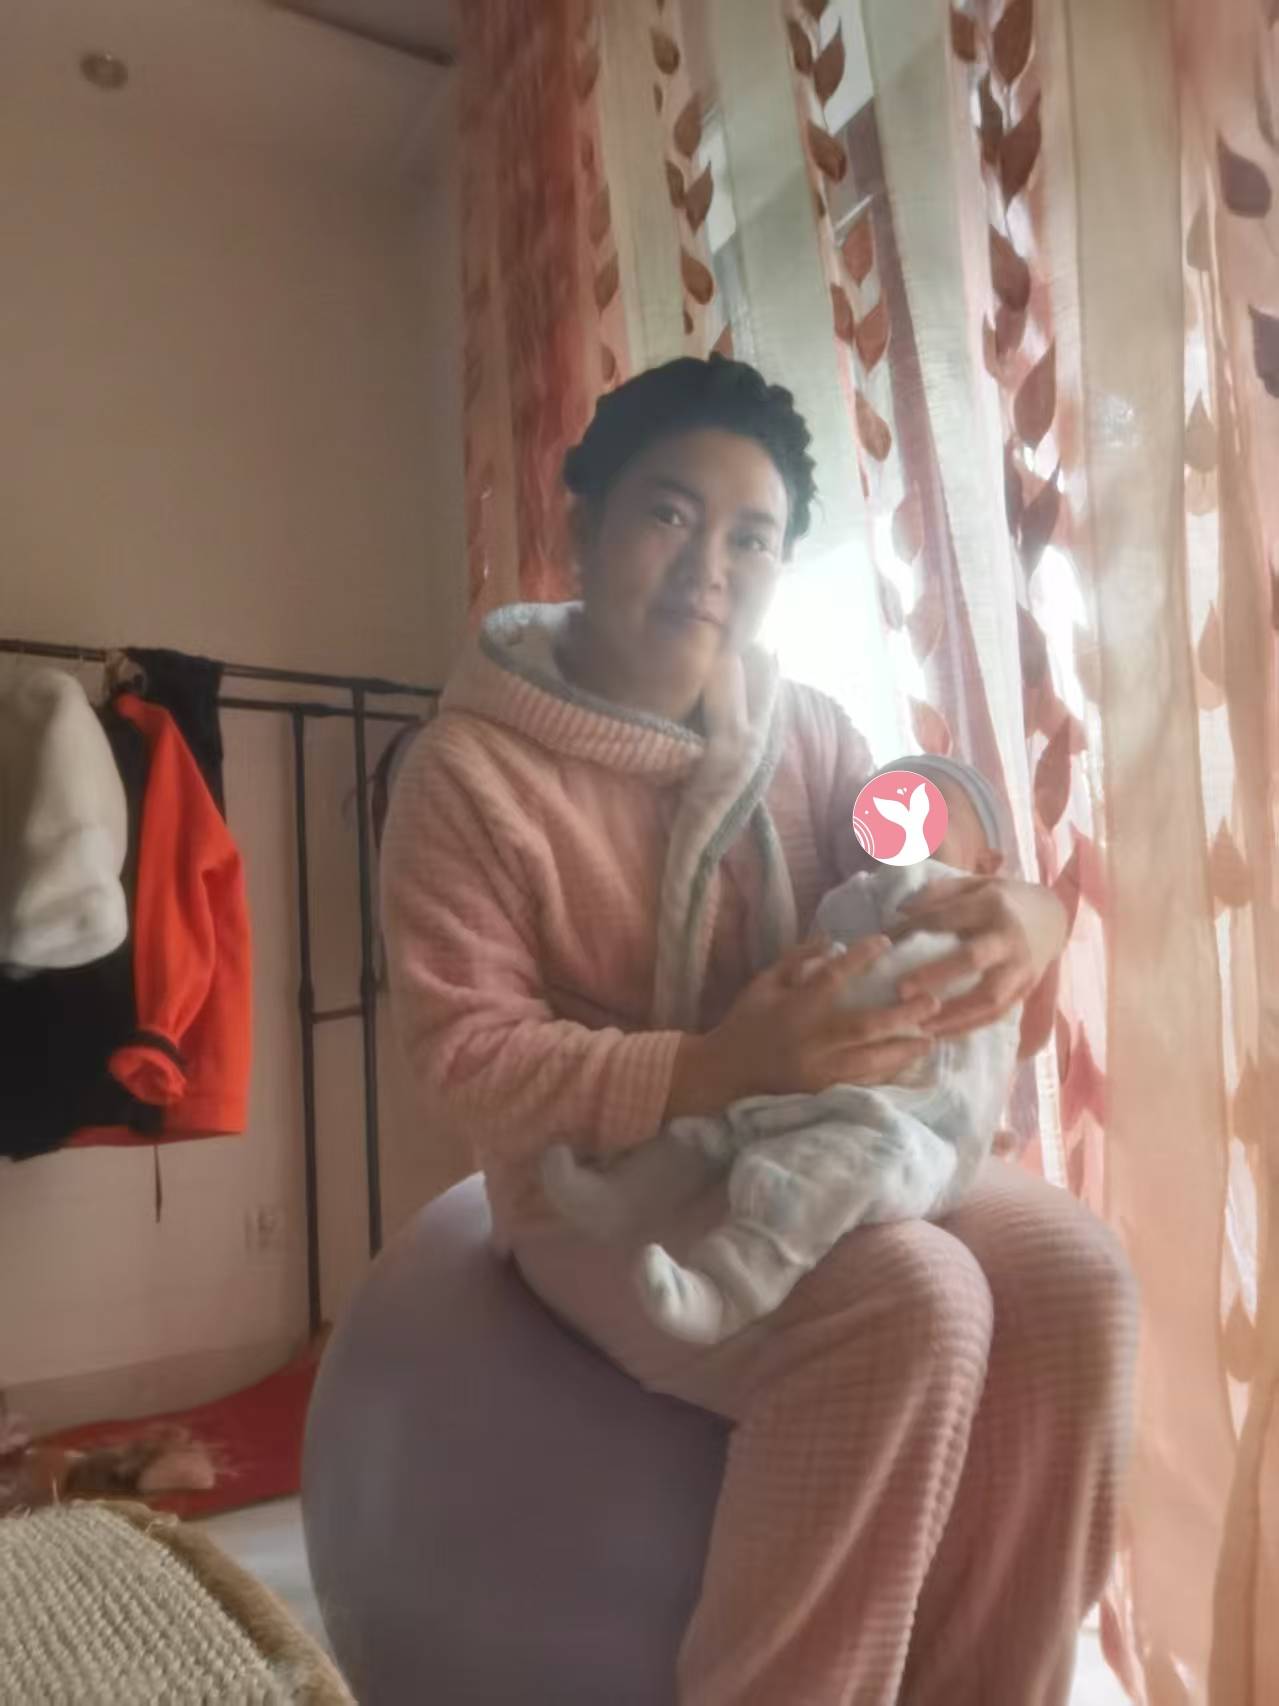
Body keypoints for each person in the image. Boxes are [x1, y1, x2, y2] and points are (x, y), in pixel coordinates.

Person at [380, 355, 1137, 1706]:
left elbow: (924, 866)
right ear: (581, 522)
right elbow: (464, 1060)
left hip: (821, 1137)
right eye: (669, 514)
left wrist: (1022, 913)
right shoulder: (469, 774)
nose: (706, 570)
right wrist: (716, 1067)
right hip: (605, 1187)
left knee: (1077, 1278)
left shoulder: (807, 733)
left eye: (752, 537)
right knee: (913, 1300)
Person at [540, 755, 1025, 1348]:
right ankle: (620, 1199)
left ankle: (726, 1291)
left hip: (901, 1125)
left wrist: (1039, 913)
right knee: (711, 1127)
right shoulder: (852, 897)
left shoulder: (975, 920)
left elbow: (1005, 1029)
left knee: (825, 1177)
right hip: (803, 1081)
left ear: (987, 866)